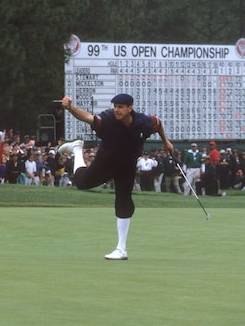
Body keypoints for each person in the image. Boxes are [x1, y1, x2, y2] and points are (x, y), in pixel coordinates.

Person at [58, 94, 173, 260]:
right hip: (106, 163)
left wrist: (166, 142)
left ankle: (121, 249)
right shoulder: (108, 120)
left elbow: (158, 123)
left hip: (127, 166)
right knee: (81, 182)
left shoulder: (143, 122)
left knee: (124, 201)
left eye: (120, 107)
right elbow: (87, 117)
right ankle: (77, 149)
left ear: (129, 108)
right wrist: (70, 108)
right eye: (115, 106)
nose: (116, 110)